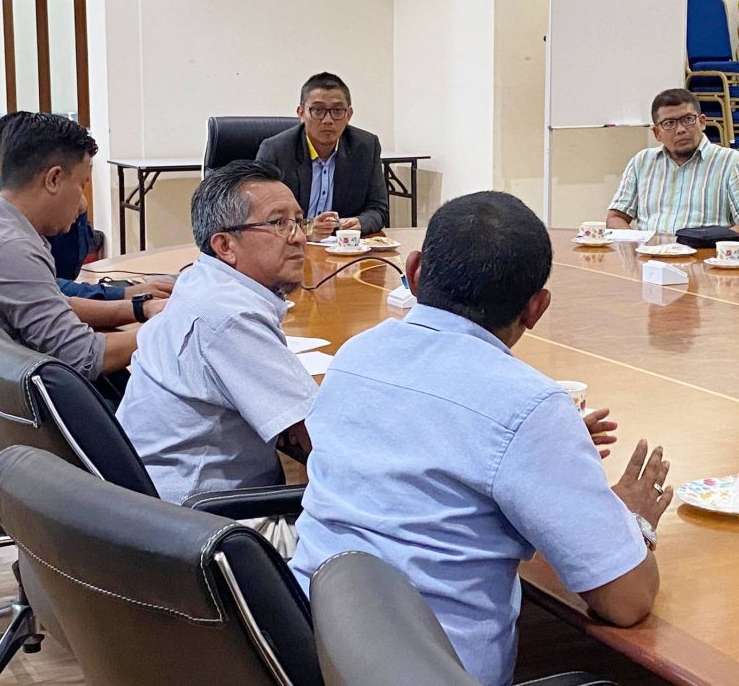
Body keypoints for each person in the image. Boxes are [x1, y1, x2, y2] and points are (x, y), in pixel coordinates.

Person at [289, 191, 672, 686]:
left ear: (414, 271)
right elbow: (626, 601)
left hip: (311, 650)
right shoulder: (527, 406)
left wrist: (542, 455)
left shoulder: (358, 353)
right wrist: (631, 519)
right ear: (537, 308)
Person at [0, 113, 165, 497]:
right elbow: (85, 358)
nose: (84, 204)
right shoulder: (9, 247)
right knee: (161, 426)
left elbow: (55, 303)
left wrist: (139, 309)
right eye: (81, 185)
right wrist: (173, 324)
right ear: (52, 179)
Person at [117, 160, 317, 525]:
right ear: (224, 245)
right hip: (205, 526)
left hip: (159, 505)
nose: (299, 236)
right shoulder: (228, 317)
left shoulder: (201, 280)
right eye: (278, 223)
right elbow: (317, 437)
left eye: (299, 220)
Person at [0, 111, 172, 314]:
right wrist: (141, 310)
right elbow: (49, 294)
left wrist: (135, 305)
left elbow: (53, 278)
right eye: (81, 184)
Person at [607, 88, 739, 239]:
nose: (680, 129)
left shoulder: (732, 163)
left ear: (702, 122)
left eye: (688, 119)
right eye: (669, 123)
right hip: (651, 261)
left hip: (707, 262)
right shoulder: (642, 162)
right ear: (657, 133)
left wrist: (710, 243)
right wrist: (638, 243)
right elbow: (615, 218)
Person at [256, 71, 388, 238]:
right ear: (301, 113)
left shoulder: (367, 147)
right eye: (318, 110)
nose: (328, 120)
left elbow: (378, 209)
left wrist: (360, 222)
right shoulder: (275, 150)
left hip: (342, 250)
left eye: (337, 110)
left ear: (348, 114)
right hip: (290, 247)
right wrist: (307, 229)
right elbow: (261, 217)